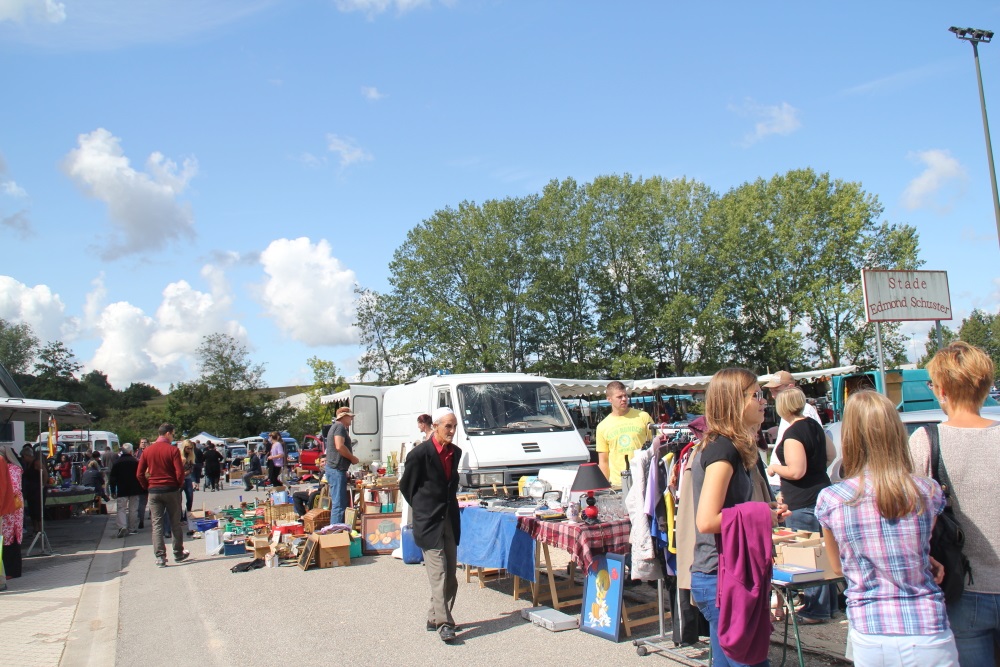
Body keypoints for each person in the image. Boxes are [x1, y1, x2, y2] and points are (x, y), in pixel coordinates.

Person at [817, 390, 957, 665]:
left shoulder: (832, 499)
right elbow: (917, 543)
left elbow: (837, 567)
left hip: (871, 628)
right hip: (926, 625)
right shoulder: (927, 491)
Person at [909, 341, 999, 665]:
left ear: (942, 389)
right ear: (986, 385)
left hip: (961, 590)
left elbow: (909, 517)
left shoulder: (925, 441)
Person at [690, 367, 786, 667]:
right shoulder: (723, 450)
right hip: (721, 576)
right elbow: (706, 520)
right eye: (755, 395)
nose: (763, 401)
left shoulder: (735, 447)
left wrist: (765, 511)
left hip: (724, 573)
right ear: (734, 401)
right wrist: (759, 514)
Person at [765, 387, 836, 624]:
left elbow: (796, 470)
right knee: (824, 550)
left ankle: (815, 610)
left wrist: (775, 468)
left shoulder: (794, 433)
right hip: (822, 492)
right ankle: (828, 606)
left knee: (807, 556)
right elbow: (831, 454)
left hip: (802, 499)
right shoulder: (815, 425)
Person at [400, 407, 462, 643]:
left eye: (455, 426)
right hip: (428, 521)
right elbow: (408, 487)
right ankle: (445, 623)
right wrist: (423, 510)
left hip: (449, 519)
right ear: (435, 426)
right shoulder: (419, 454)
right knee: (440, 574)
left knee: (451, 576)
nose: (452, 431)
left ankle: (433, 616)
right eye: (448, 426)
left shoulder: (455, 452)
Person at [137, 423, 189, 568]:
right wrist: (178, 485)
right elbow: (179, 472)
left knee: (157, 524)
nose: (173, 436)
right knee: (175, 523)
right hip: (170, 488)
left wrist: (146, 486)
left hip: (154, 490)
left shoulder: (147, 451)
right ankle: (178, 553)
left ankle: (160, 557)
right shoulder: (172, 450)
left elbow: (139, 473)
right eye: (172, 434)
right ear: (168, 434)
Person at [595, 380, 654, 487]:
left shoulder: (643, 416)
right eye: (619, 397)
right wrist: (604, 486)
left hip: (644, 478)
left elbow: (656, 443)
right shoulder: (602, 426)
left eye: (625, 396)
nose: (624, 399)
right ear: (609, 399)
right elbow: (603, 460)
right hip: (618, 483)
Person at [326, 407, 359, 525]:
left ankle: (336, 531)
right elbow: (339, 446)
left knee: (339, 503)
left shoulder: (336, 427)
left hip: (335, 469)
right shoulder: (339, 427)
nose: (351, 419)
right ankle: (335, 534)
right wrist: (352, 458)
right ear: (344, 417)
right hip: (336, 469)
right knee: (339, 505)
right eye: (350, 416)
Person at [1, 446, 24, 579]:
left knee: (11, 539)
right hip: (8, 507)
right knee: (6, 539)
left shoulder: (13, 468)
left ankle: (12, 571)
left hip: (12, 509)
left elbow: (15, 488)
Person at [109, 443, 142, 537]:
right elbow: (140, 475)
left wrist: (112, 490)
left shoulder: (117, 462)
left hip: (122, 489)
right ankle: (132, 528)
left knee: (121, 509)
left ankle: (122, 526)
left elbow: (112, 478)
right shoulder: (136, 462)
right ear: (131, 451)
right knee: (133, 509)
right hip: (134, 489)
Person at [19, 446, 44, 535]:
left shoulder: (36, 463)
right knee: (32, 510)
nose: (23, 459)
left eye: (23, 456)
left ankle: (40, 529)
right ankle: (35, 528)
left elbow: (44, 473)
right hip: (30, 489)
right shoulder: (27, 464)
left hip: (37, 488)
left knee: (38, 510)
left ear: (27, 455)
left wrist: (42, 485)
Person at [179, 440, 196, 520]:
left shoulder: (191, 456)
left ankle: (187, 515)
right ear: (184, 447)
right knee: (178, 499)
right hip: (179, 479)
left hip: (188, 478)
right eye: (187, 448)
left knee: (190, 497)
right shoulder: (179, 455)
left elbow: (192, 467)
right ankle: (180, 516)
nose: (189, 450)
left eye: (190, 448)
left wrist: (187, 472)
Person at [136, 438, 150, 529]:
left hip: (150, 478)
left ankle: (151, 515)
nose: (143, 444)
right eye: (142, 442)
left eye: (145, 442)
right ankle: (141, 519)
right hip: (142, 479)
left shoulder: (150, 452)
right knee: (142, 502)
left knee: (153, 500)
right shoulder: (137, 453)